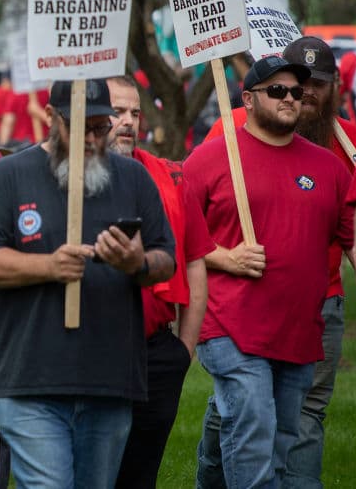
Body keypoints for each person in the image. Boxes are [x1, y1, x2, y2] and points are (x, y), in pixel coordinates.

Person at [0, 78, 176, 489]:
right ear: (50, 118)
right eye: (80, 127)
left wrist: (137, 262)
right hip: (31, 379)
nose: (93, 139)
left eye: (101, 127)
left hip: (110, 378)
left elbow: (166, 259)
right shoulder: (9, 176)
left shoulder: (132, 179)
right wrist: (49, 267)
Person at [185, 56, 354, 488]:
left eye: (297, 92)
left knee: (278, 445)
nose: (290, 99)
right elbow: (176, 239)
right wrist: (227, 257)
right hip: (231, 324)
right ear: (247, 99)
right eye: (277, 91)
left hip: (298, 330)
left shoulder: (327, 167)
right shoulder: (209, 160)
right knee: (254, 434)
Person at [104, 75, 213, 489]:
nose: (129, 121)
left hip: (156, 352)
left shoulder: (171, 177)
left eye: (134, 112)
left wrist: (183, 348)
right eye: (117, 111)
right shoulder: (66, 177)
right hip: (90, 348)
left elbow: (195, 261)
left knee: (139, 472)